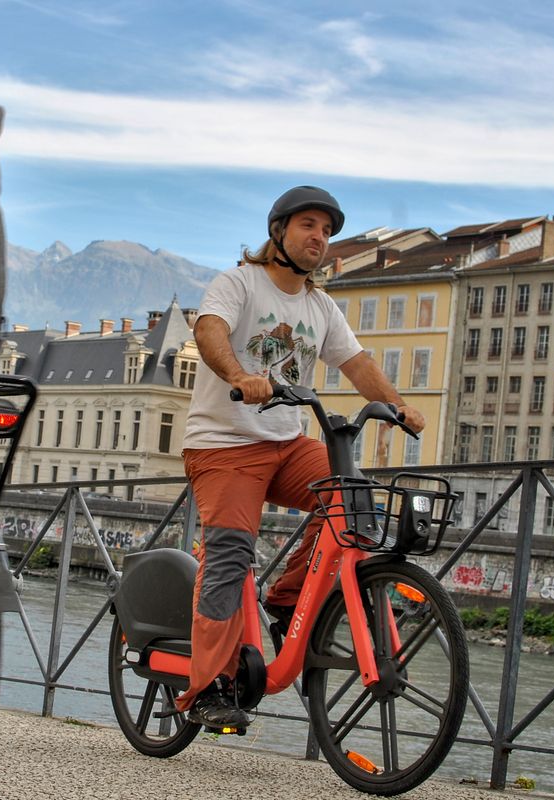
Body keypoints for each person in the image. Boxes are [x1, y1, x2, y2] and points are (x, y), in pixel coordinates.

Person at [174, 186, 426, 729]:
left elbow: (355, 362)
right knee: (229, 555)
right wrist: (239, 375)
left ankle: (288, 600)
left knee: (351, 496)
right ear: (279, 231)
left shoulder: (320, 306)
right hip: (223, 445)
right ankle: (208, 687)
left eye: (327, 231)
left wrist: (399, 407)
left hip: (285, 444)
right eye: (308, 225)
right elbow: (210, 329)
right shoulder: (239, 282)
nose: (320, 238)